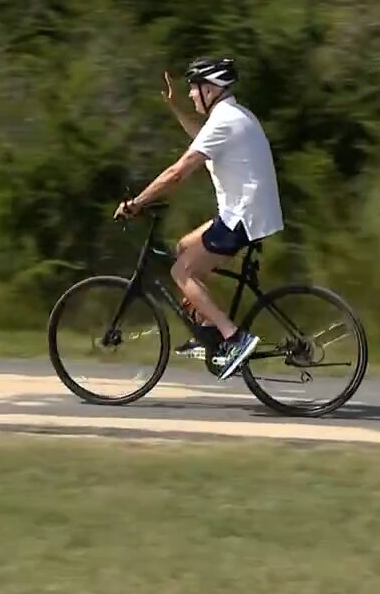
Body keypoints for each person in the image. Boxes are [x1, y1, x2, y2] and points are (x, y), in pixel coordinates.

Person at [113, 56, 284, 380]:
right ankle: (206, 329)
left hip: (243, 216)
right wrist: (176, 108)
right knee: (184, 246)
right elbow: (200, 139)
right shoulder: (232, 115)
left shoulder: (225, 120)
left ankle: (233, 337)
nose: (191, 95)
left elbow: (178, 173)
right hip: (245, 211)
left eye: (194, 89)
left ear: (210, 89)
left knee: (181, 271)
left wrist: (137, 202)